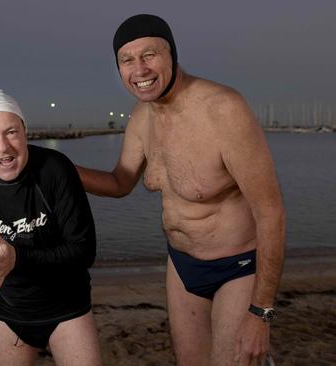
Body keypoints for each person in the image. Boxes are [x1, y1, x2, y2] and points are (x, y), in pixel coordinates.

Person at [76, 14, 285, 366]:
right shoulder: (142, 117)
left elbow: (271, 212)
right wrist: (59, 168)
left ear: (172, 54)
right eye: (127, 60)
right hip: (182, 265)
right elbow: (120, 182)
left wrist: (261, 311)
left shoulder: (223, 109)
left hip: (237, 266)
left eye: (149, 55)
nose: (139, 69)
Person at [0, 87, 101, 365]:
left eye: (11, 132)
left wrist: (16, 256)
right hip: (8, 313)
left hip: (68, 308)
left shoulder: (55, 168)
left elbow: (85, 251)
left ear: (25, 131)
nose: (2, 147)